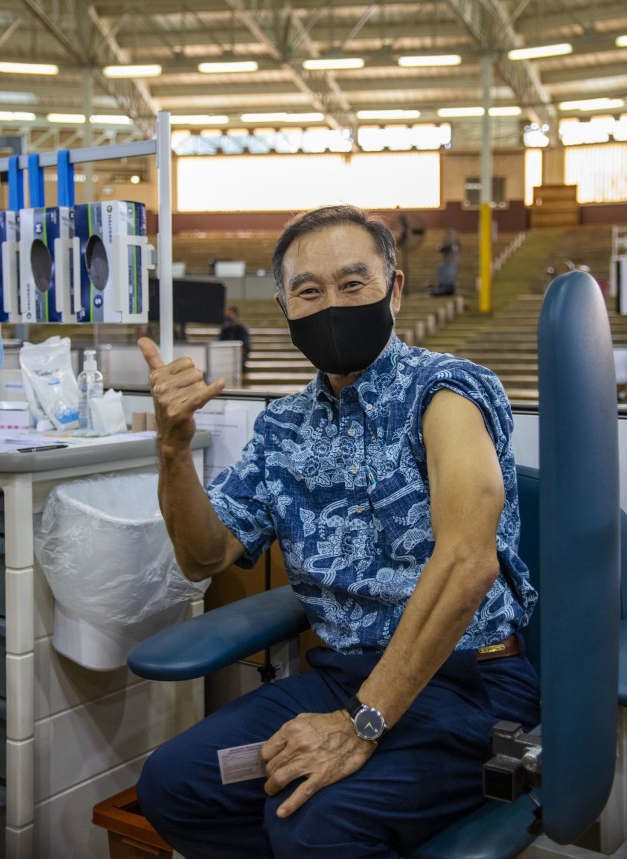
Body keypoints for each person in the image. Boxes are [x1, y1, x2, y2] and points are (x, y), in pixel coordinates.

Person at [136, 204, 539, 859]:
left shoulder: (445, 393)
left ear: (395, 289)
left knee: (311, 824)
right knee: (179, 782)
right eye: (309, 290)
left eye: (353, 284)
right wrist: (174, 449)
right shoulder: (284, 428)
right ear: (284, 307)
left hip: (466, 691)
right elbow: (205, 555)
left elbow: (469, 560)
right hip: (336, 681)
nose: (332, 305)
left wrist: (362, 723)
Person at [218, 304, 251, 369]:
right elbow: (219, 344)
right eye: (227, 314)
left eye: (230, 314)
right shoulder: (224, 329)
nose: (228, 316)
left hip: (239, 359)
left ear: (236, 315)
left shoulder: (242, 329)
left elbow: (246, 347)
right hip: (226, 358)